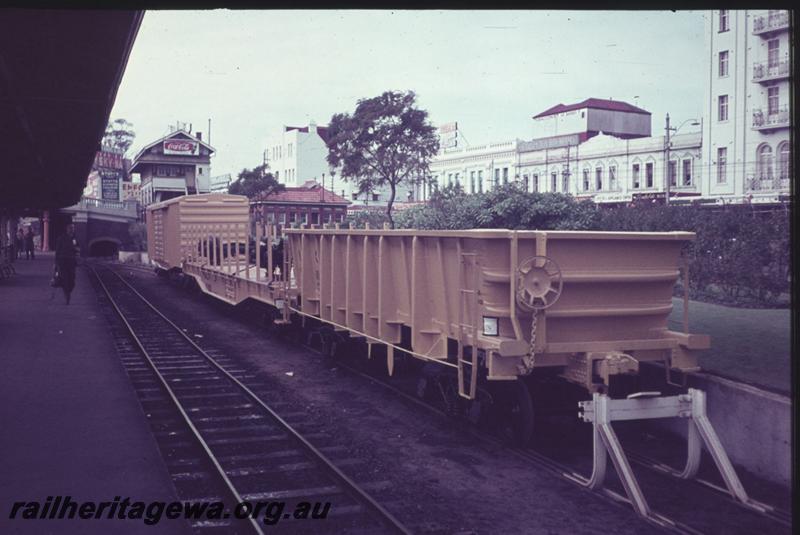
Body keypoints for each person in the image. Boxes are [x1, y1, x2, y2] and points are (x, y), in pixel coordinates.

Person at [54, 224, 80, 305]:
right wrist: (55, 263)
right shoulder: (61, 238)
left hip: (71, 261)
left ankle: (68, 291)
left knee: (72, 280)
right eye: (70, 228)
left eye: (72, 228)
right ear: (66, 229)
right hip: (62, 261)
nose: (71, 230)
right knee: (64, 279)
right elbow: (57, 251)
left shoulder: (74, 239)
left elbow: (77, 249)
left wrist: (76, 251)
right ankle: (67, 294)